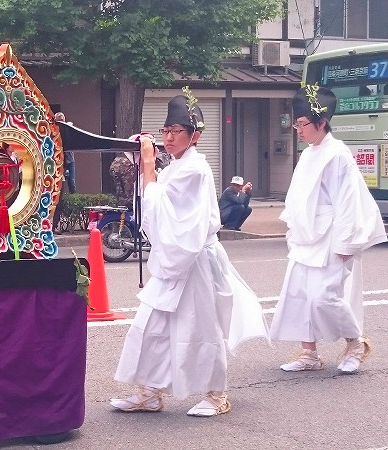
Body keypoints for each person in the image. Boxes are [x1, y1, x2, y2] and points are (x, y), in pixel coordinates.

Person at [110, 90, 268, 417]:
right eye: (166, 131)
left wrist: (149, 166)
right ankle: (149, 392)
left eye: (176, 131)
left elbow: (172, 214)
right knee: (151, 324)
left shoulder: (196, 169)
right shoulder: (176, 167)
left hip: (196, 261)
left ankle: (216, 394)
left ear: (194, 135)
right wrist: (147, 167)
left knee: (201, 329)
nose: (168, 137)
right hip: (177, 260)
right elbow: (157, 205)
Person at [270, 85, 386, 373]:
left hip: (331, 234)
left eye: (302, 124)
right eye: (296, 124)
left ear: (321, 123)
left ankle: (355, 342)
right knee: (298, 294)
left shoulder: (338, 155)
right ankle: (309, 353)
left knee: (325, 296)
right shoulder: (310, 153)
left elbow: (347, 202)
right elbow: (298, 197)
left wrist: (345, 244)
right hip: (307, 234)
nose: (298, 130)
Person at [55, 112, 77, 193]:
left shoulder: (68, 128)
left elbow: (71, 126)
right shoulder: (54, 130)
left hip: (69, 159)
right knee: (59, 181)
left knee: (71, 180)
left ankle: (73, 197)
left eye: (62, 120)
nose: (61, 122)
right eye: (59, 120)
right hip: (58, 160)